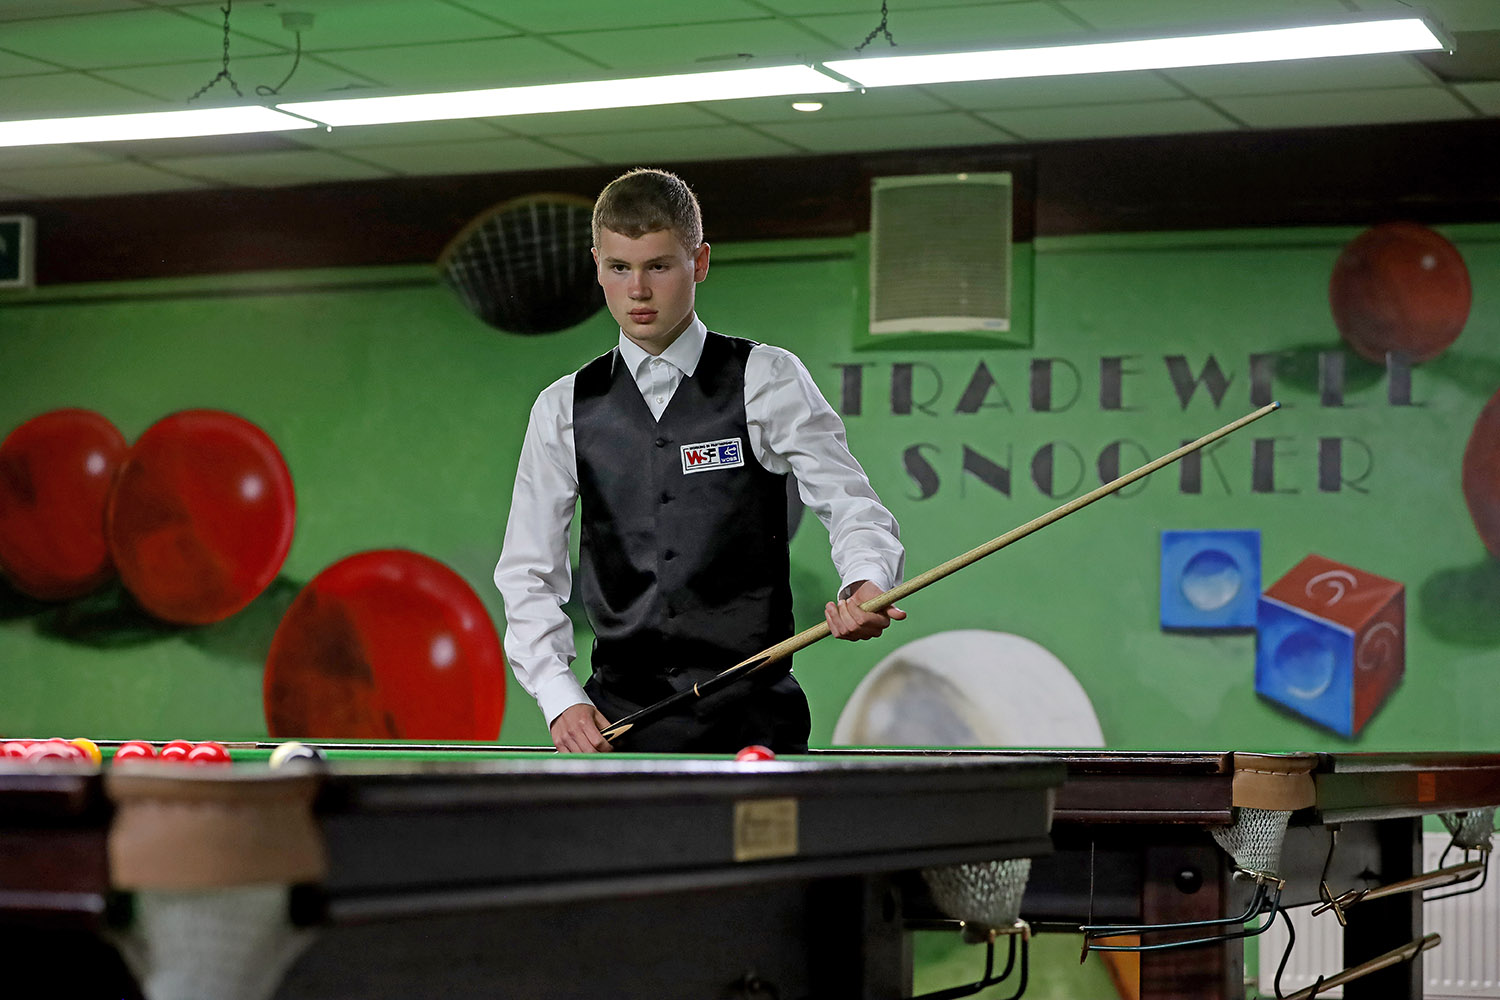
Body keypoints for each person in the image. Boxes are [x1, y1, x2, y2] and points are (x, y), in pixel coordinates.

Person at [494, 168, 905, 754]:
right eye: (619, 268)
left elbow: (852, 505)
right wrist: (560, 698)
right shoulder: (563, 407)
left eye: (658, 266)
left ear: (700, 261)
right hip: (619, 729)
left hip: (756, 722)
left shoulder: (767, 378)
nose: (637, 290)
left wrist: (867, 581)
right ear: (597, 265)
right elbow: (526, 573)